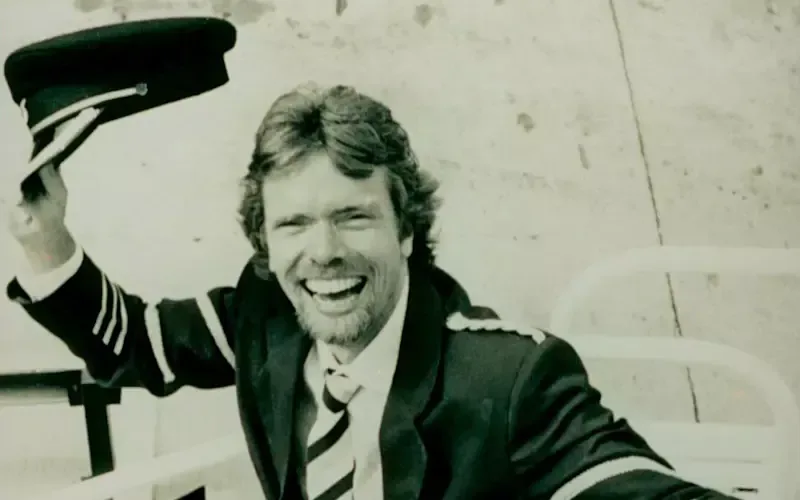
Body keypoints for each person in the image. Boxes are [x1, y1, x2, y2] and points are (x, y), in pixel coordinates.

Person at [2, 82, 739, 499]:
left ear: (406, 228)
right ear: (265, 242)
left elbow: (634, 488)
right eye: (293, 224)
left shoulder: (511, 378)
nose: (323, 254)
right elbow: (135, 345)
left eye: (353, 216)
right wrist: (43, 236)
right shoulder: (268, 317)